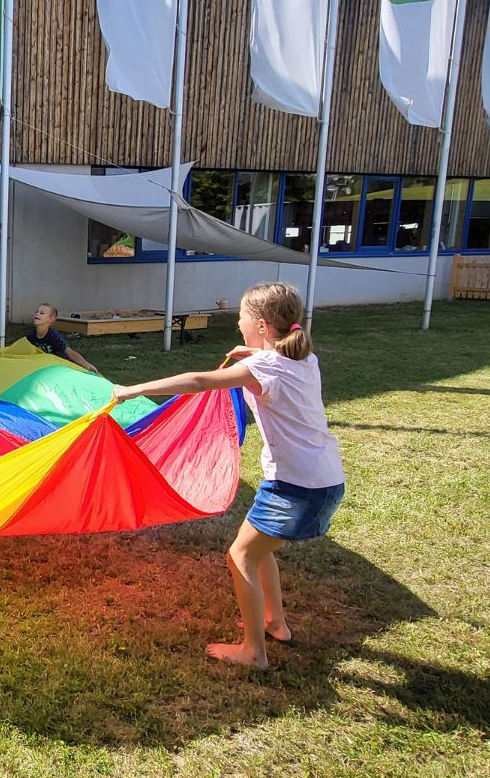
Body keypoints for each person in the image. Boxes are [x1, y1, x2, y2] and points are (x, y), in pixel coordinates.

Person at [111, 282, 344, 670]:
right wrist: (254, 354)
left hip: (295, 487)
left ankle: (253, 651)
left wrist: (132, 390)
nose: (238, 323)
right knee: (258, 551)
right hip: (325, 480)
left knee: (240, 556)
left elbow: (200, 381)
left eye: (242, 317)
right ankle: (275, 623)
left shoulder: (263, 367)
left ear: (263, 326)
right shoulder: (304, 359)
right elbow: (274, 367)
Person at [27, 302, 99, 374]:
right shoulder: (31, 336)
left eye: (42, 313)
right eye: (36, 312)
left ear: (50, 319)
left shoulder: (53, 336)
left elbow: (69, 351)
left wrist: (86, 364)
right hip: (45, 367)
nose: (37, 314)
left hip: (61, 367)